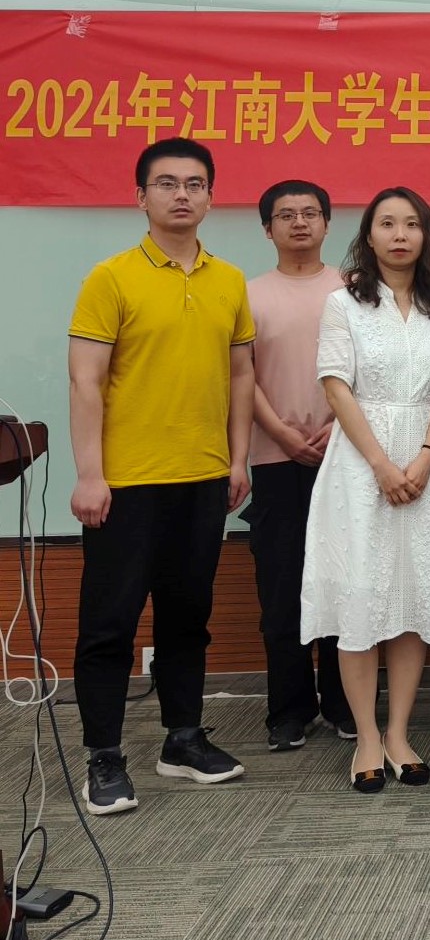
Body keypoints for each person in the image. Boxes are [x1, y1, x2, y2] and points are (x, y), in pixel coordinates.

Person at [68, 137, 254, 816]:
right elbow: (85, 381)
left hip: (202, 478)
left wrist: (237, 459)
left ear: (210, 196)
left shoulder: (229, 280)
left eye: (195, 183)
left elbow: (241, 375)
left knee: (187, 617)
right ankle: (104, 755)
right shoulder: (111, 277)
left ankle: (182, 738)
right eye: (168, 183)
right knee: (110, 623)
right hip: (126, 483)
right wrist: (90, 474)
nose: (182, 194)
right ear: (140, 196)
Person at [301, 186, 430, 793]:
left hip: (426, 465)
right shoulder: (343, 303)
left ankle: (400, 732)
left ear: (426, 235)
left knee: (413, 598)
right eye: (387, 223)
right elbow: (335, 385)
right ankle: (366, 736)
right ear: (369, 236)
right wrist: (381, 464)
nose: (400, 234)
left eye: (411, 224)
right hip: (361, 466)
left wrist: (429, 455)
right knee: (361, 598)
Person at [244, 179, 353, 751]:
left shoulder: (354, 288)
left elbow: (369, 369)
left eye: (311, 213)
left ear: (328, 223)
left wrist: (341, 425)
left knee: (343, 582)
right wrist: (282, 433)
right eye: (285, 215)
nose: (300, 223)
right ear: (268, 229)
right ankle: (288, 709)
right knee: (282, 589)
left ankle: (343, 702)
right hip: (274, 457)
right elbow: (241, 377)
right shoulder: (248, 294)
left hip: (347, 455)